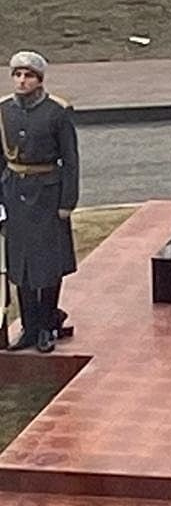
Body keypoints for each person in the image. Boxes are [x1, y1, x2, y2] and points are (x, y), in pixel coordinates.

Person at [1, 52, 78, 354]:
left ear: (39, 80)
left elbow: (70, 160)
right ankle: (29, 327)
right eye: (17, 75)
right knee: (19, 263)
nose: (21, 81)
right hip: (14, 194)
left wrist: (67, 201)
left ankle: (47, 324)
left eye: (28, 75)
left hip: (47, 194)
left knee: (48, 263)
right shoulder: (4, 111)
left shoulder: (56, 112)